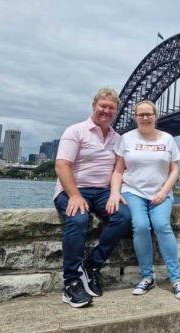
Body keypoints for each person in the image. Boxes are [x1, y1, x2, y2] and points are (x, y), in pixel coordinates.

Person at [54, 88, 132, 308]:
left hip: (102, 192)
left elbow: (119, 169)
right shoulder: (76, 131)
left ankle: (92, 265)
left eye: (111, 108)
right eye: (103, 106)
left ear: (116, 111)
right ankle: (71, 283)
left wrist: (115, 193)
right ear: (94, 106)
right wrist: (75, 195)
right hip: (72, 189)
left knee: (124, 216)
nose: (106, 111)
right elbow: (62, 165)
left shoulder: (117, 138)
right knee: (79, 219)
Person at [107, 99, 180, 299]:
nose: (144, 118)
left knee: (162, 225)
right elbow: (118, 169)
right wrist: (114, 192)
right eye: (140, 114)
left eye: (148, 114)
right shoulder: (126, 138)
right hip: (132, 191)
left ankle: (176, 279)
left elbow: (175, 169)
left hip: (161, 192)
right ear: (135, 117)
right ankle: (147, 277)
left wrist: (163, 191)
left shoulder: (167, 139)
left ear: (155, 116)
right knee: (141, 226)